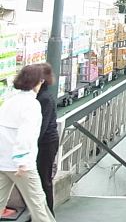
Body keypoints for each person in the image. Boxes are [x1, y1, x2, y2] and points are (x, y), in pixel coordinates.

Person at [0, 64, 56, 222]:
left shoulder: (9, 101)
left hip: (3, 162)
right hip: (22, 165)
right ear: (38, 82)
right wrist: (22, 160)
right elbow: (26, 134)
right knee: (38, 206)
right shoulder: (32, 105)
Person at [34, 64, 59, 215]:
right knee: (43, 179)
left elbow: (41, 126)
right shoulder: (43, 96)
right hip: (46, 142)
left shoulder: (44, 98)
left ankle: (48, 213)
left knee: (44, 180)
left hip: (46, 143)